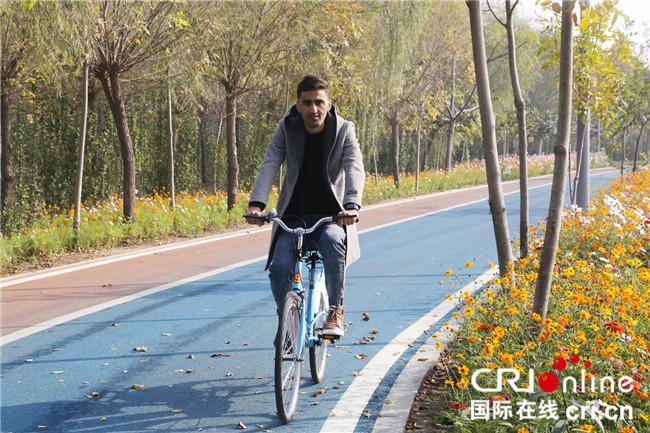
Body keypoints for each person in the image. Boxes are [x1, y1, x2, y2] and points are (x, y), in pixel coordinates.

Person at [244, 75, 364, 337]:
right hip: (293, 216)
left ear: (329, 104)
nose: (314, 109)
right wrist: (256, 204)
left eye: (319, 102)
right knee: (279, 269)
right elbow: (270, 163)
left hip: (332, 217)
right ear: (297, 105)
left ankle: (335, 310)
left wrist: (351, 204)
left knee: (334, 244)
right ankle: (286, 321)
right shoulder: (286, 128)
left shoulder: (344, 130)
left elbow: (354, 165)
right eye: (307, 103)